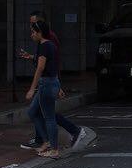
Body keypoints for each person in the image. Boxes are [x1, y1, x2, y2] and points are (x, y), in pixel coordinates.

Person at [18, 11, 86, 151]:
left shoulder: (47, 41)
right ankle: (46, 140)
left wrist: (34, 88)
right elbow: (45, 61)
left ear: (40, 27)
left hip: (48, 82)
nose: (31, 30)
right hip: (49, 81)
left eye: (33, 25)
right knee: (36, 112)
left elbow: (48, 64)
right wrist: (32, 57)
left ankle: (52, 144)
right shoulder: (42, 43)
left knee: (47, 115)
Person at [26, 21, 63, 158]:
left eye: (33, 32)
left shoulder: (44, 46)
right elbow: (53, 65)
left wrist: (32, 88)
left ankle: (54, 149)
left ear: (40, 32)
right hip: (52, 82)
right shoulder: (50, 45)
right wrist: (58, 86)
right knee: (32, 111)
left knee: (49, 117)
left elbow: (40, 68)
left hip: (46, 84)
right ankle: (47, 142)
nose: (31, 35)